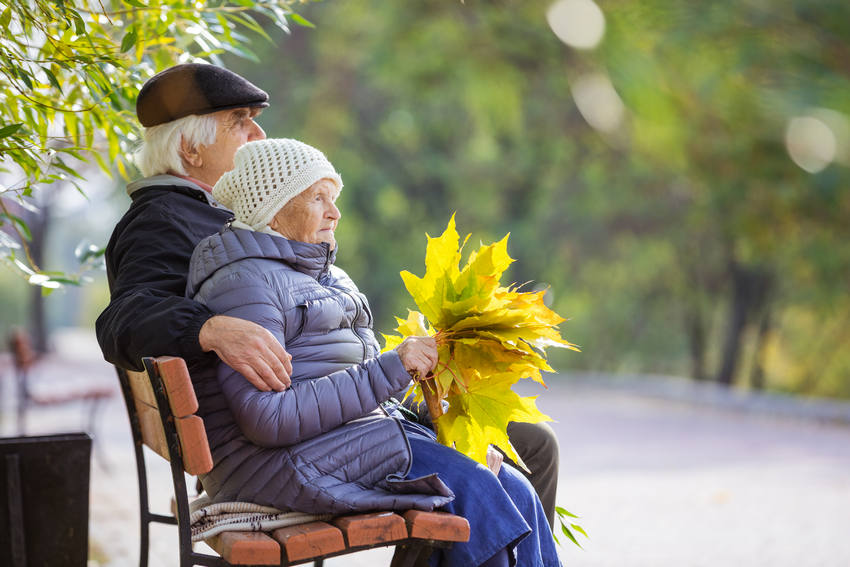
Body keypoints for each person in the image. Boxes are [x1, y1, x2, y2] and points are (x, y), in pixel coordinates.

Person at [95, 63, 560, 527]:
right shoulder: (162, 222)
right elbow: (122, 322)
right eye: (239, 121)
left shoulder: (216, 215)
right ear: (189, 149)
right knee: (514, 455)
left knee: (526, 442)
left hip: (322, 411)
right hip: (292, 435)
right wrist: (207, 329)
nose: (257, 134)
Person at [186, 137, 561, 567]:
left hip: (343, 442)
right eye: (318, 197)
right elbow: (268, 418)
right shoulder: (245, 284)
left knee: (508, 488)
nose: (335, 212)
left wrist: (440, 418)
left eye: (335, 197)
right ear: (273, 208)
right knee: (484, 492)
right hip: (280, 462)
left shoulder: (326, 275)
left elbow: (367, 384)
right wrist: (393, 366)